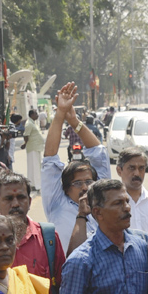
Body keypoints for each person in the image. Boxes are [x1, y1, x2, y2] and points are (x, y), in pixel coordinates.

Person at [41, 82, 111, 247]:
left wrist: (74, 121)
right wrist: (60, 114)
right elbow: (50, 160)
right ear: (66, 189)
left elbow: (99, 153)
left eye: (89, 181)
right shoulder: (56, 203)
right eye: (78, 183)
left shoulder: (102, 199)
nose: (85, 187)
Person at [115, 146, 148, 233]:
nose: (137, 173)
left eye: (141, 168)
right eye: (132, 168)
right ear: (119, 171)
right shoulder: (111, 204)